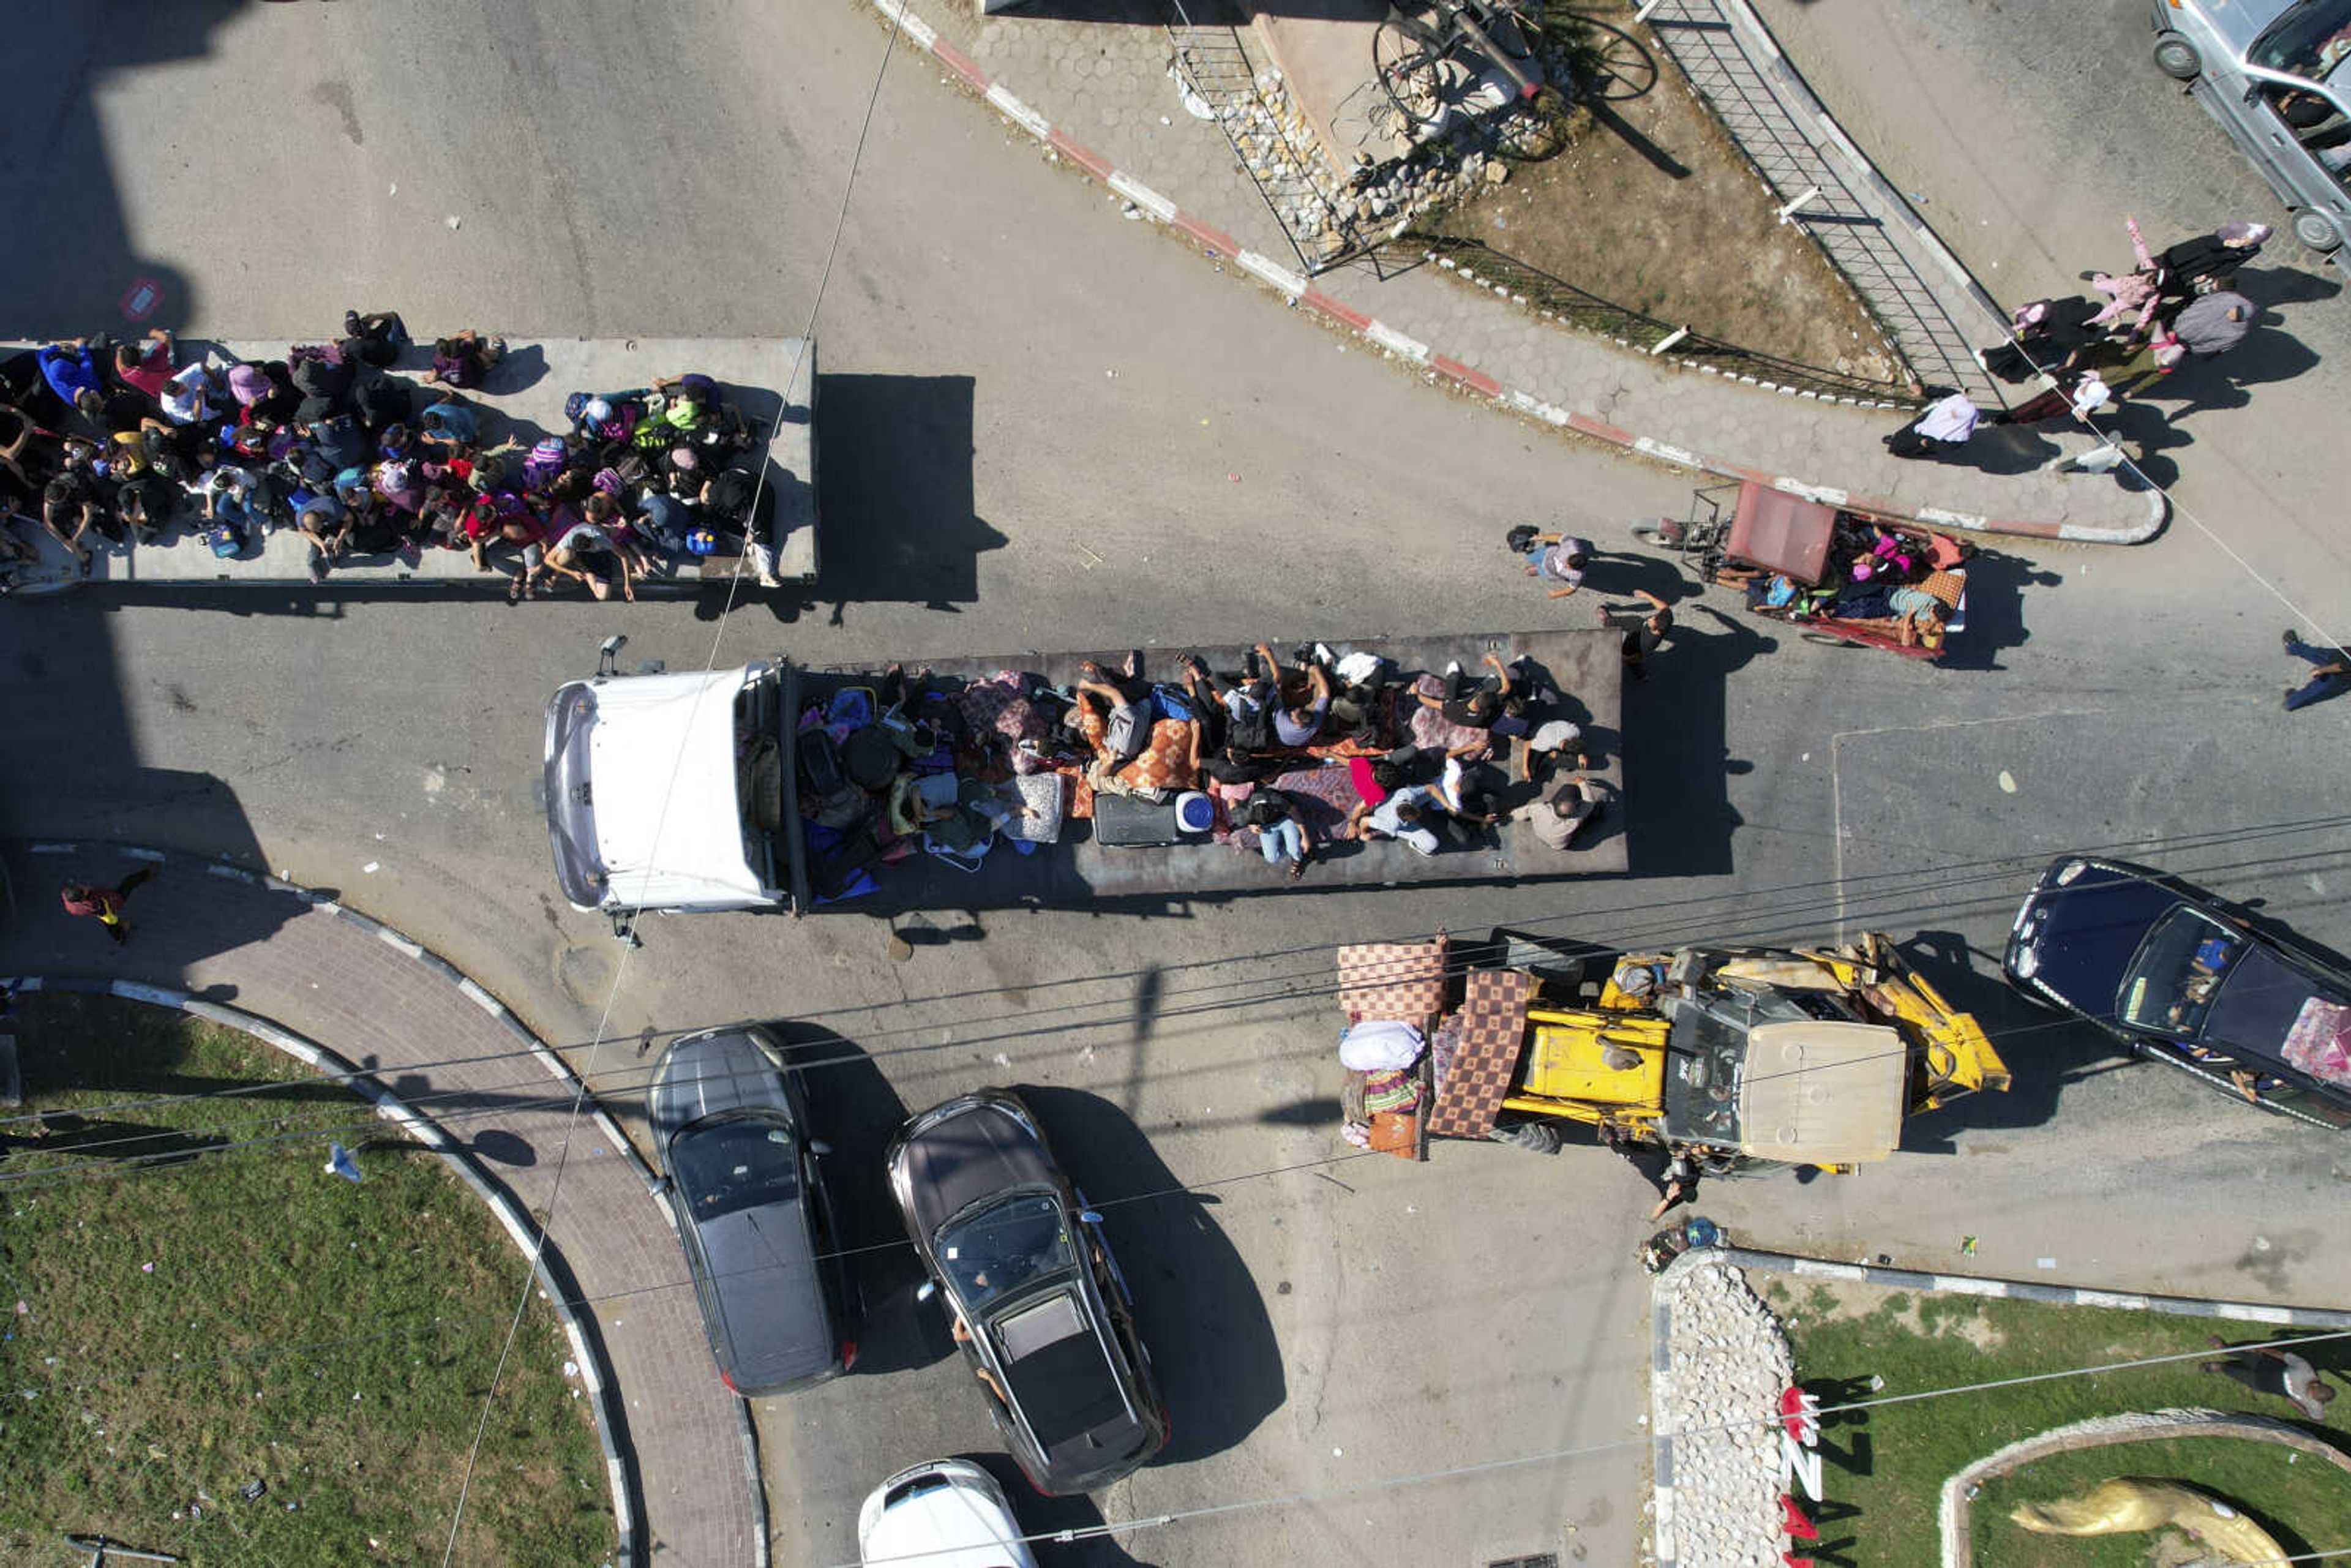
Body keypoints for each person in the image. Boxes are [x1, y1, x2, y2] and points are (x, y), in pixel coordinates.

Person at [2201, 1336, 2336, 1419]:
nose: (2306, 1393)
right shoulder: (2304, 1369)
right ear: (2316, 1384)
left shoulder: (2315, 1405)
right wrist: (2263, 1350)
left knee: (2231, 1369)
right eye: (2309, 1390)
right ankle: (2224, 1347)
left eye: (2309, 1395)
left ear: (2319, 1401)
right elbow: (2282, 1356)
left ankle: (2216, 1367)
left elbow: (2316, 1418)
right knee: (2244, 1355)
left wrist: (2294, 1403)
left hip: (2260, 1382)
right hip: (2266, 1365)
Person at [1076, 654, 1154, 769]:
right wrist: (1089, 685)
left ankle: (1124, 673)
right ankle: (1105, 670)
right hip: (1139, 700)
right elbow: (1114, 694)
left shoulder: (1122, 754)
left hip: (1128, 709)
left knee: (1100, 697)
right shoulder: (1122, 744)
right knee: (1094, 683)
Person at [1259, 643, 1331, 748]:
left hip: (1278, 733)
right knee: (1320, 684)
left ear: (1296, 722)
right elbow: (1325, 693)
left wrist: (1281, 684)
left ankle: (1301, 666)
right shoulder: (1315, 719)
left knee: (1277, 677)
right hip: (1293, 731)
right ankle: (1308, 667)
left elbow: (1278, 696)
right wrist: (1317, 672)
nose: (1293, 712)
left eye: (1293, 714)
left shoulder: (1283, 722)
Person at [61, 869, 156, 945]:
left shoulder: (67, 897)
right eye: (83, 889)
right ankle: (147, 874)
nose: (84, 886)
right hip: (115, 900)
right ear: (83, 897)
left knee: (110, 926)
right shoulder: (96, 904)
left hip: (95, 909)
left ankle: (119, 939)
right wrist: (121, 923)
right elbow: (110, 918)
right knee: (129, 882)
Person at [1348, 783, 1443, 856]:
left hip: (1395, 806)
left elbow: (1431, 788)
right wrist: (1365, 834)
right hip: (1391, 821)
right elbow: (1364, 821)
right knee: (1432, 844)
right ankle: (1415, 843)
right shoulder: (1392, 825)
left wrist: (1449, 805)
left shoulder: (1406, 795)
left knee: (1438, 788)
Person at [1883, 388, 1979, 459]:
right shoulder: (1957, 399)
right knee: (1907, 432)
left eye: (1956, 415)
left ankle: (1899, 450)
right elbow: (1943, 392)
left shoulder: (1959, 437)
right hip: (1927, 422)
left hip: (1929, 440)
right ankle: (1895, 439)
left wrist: (1929, 443)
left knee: (1911, 446)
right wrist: (1923, 392)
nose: (1951, 413)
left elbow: (1945, 449)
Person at [1240, 787, 1312, 879]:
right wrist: (1252, 826)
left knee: (1294, 851)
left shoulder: (1276, 800)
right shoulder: (1247, 808)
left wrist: (1305, 836)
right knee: (1272, 859)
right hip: (1266, 827)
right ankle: (1296, 847)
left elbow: (1294, 812)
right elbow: (1240, 813)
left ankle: (1299, 859)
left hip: (1284, 820)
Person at [1602, 589, 1674, 680]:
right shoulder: (1667, 618)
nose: (1651, 618)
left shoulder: (1648, 643)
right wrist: (1647, 596)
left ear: (1656, 628)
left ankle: (1639, 674)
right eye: (1654, 616)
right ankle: (1609, 621)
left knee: (1631, 658)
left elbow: (1636, 657)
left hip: (1634, 646)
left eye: (1653, 620)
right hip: (1639, 626)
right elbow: (1664, 607)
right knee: (1634, 620)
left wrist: (1618, 659)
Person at [1528, 771, 1605, 850]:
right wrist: (1582, 783)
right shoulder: (1574, 822)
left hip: (1542, 836)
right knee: (1594, 810)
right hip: (1561, 845)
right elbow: (1590, 803)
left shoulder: (1540, 808)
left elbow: (1525, 811)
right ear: (1572, 814)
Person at [2282, 628, 2350, 711]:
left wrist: (2322, 670)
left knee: (2316, 691)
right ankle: (2293, 647)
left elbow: (2344, 666)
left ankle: (2291, 702)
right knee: (2318, 654)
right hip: (2341, 656)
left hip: (2340, 676)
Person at [1521, 531, 1595, 598]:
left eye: (1568, 567)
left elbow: (1571, 588)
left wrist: (1556, 594)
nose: (1564, 564)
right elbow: (1559, 537)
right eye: (1567, 561)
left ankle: (1538, 569)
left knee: (1529, 571)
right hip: (1547, 553)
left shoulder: (1578, 575)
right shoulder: (1572, 545)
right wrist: (1540, 537)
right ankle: (1536, 563)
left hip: (1550, 572)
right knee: (1530, 558)